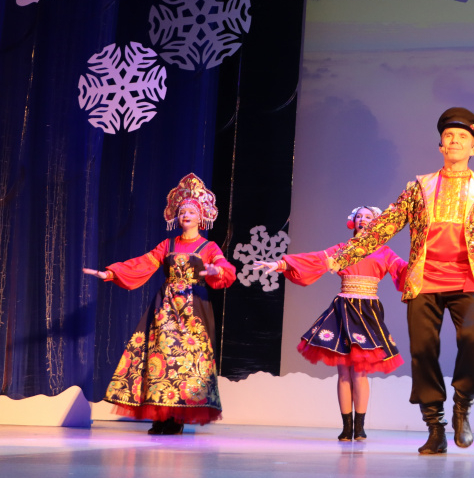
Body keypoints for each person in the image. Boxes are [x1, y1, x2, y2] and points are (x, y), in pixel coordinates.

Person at [325, 107, 474, 455]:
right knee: (423, 353)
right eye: (449, 136)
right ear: (440, 146)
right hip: (424, 282)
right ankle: (435, 428)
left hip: (470, 281)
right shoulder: (418, 187)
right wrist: (341, 256)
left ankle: (462, 405)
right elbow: (383, 227)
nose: (454, 141)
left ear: (473, 147)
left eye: (462, 137)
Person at [83, 173, 236, 435]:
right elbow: (143, 263)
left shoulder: (208, 246)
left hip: (193, 311)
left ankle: (177, 416)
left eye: (191, 211)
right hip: (165, 308)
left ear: (201, 217)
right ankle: (161, 414)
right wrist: (110, 273)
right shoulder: (168, 244)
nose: (185, 215)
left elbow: (224, 267)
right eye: (182, 211)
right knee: (161, 357)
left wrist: (217, 271)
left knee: (187, 360)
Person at [253, 205, 407, 441]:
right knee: (344, 372)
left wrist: (424, 264)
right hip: (344, 308)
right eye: (359, 216)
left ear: (376, 222)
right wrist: (282, 264)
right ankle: (346, 427)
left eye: (368, 217)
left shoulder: (384, 252)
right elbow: (314, 260)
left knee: (360, 373)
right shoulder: (343, 249)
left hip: (367, 312)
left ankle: (360, 427)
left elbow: (404, 270)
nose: (363, 220)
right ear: (353, 221)